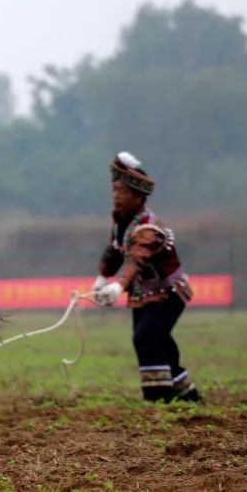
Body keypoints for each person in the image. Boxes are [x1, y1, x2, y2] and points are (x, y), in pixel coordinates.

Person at [93, 152, 201, 403]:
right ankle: (188, 396)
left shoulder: (149, 229)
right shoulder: (121, 223)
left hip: (168, 295)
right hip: (143, 295)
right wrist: (101, 278)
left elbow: (136, 258)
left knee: (146, 338)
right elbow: (115, 251)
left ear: (138, 196)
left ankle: (158, 397)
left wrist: (119, 285)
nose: (115, 196)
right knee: (160, 342)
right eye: (114, 190)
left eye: (121, 191)